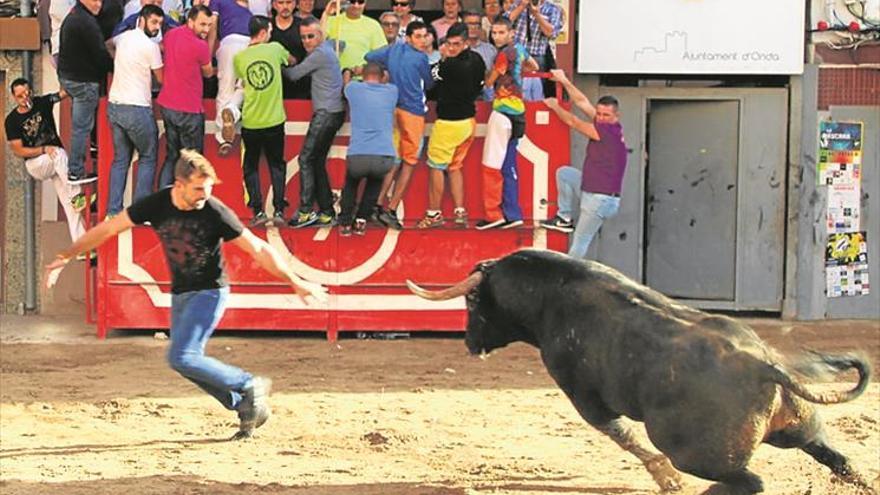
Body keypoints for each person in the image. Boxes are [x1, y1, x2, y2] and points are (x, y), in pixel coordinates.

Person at [45, 149, 328, 440]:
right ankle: (246, 405)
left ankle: (247, 384)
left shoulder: (214, 211)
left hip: (210, 292)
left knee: (183, 357)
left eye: (207, 189)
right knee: (184, 363)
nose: (203, 196)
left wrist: (294, 281)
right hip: (181, 294)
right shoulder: (157, 204)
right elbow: (109, 228)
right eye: (197, 189)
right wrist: (67, 255)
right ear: (178, 184)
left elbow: (257, 249)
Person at [540, 70, 627, 258]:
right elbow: (581, 102)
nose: (601, 118)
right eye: (600, 114)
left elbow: (573, 121)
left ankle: (569, 281)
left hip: (600, 199)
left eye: (606, 115)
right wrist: (563, 80)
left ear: (616, 116)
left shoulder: (605, 132)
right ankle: (564, 217)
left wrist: (555, 106)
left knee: (580, 242)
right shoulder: (610, 125)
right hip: (593, 191)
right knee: (564, 173)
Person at [365, 20, 432, 230]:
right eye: (419, 36)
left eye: (424, 36)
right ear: (410, 37)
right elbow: (429, 83)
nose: (423, 40)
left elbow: (369, 57)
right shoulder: (421, 58)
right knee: (409, 162)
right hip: (413, 112)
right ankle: (391, 209)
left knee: (393, 160)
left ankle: (376, 205)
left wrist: (386, 74)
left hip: (393, 109)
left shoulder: (392, 50)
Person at [417, 22, 485, 229]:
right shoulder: (478, 59)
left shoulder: (449, 65)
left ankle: (434, 214)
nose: (452, 47)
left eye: (456, 44)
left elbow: (430, 77)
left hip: (449, 124)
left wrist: (444, 57)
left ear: (465, 43)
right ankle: (460, 211)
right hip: (468, 123)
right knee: (455, 167)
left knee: (436, 167)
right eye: (449, 43)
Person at [4, 79, 86, 243]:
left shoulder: (42, 102)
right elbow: (18, 150)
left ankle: (82, 244)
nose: (25, 98)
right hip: (35, 164)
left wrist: (69, 76)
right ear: (14, 97)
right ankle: (77, 195)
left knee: (67, 202)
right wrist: (43, 149)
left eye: (27, 93)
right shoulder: (12, 120)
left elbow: (62, 94)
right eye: (20, 96)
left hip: (53, 162)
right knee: (58, 153)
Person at [283, 16, 345, 228]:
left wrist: (277, 60)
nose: (306, 41)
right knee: (316, 161)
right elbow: (341, 43)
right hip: (333, 113)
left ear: (320, 36)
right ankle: (327, 211)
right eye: (303, 37)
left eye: (311, 36)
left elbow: (293, 75)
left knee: (306, 159)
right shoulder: (328, 48)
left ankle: (306, 211)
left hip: (325, 114)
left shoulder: (320, 54)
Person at [476, 16, 536, 230]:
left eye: (501, 32)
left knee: (491, 165)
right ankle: (513, 213)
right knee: (509, 165)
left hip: (502, 112)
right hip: (519, 111)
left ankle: (494, 214)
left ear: (511, 33)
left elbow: (490, 81)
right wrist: (517, 74)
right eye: (494, 32)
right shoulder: (519, 49)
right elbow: (534, 65)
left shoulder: (503, 54)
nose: (497, 36)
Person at [234, 15, 293, 226]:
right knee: (277, 165)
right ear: (263, 33)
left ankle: (258, 211)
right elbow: (292, 61)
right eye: (269, 30)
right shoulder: (275, 48)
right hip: (275, 120)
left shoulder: (239, 58)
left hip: (250, 121)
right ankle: (278, 210)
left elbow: (242, 81)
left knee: (250, 167)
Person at [106, 5, 164, 217]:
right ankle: (140, 213)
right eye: (154, 22)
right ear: (142, 20)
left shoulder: (123, 38)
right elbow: (162, 79)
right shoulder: (151, 47)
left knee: (120, 160)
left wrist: (118, 61)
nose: (157, 27)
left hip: (115, 105)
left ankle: (113, 211)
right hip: (138, 108)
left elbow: (108, 45)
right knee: (148, 157)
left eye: (159, 24)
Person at [156, 5, 216, 187]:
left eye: (209, 25)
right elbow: (208, 73)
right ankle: (190, 207)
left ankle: (164, 200)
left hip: (167, 105)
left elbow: (161, 48)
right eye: (202, 24)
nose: (206, 29)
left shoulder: (170, 35)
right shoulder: (201, 46)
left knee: (172, 156)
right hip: (189, 110)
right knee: (193, 161)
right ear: (190, 21)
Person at [338, 62, 398, 236]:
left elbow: (346, 82)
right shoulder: (392, 92)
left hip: (358, 153)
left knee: (351, 185)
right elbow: (386, 79)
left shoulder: (354, 90)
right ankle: (362, 220)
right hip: (384, 154)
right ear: (382, 76)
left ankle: (345, 223)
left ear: (363, 76)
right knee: (374, 185)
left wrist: (350, 70)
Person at [57, 0, 113, 185]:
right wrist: (117, 66)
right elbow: (100, 56)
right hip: (83, 82)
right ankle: (76, 171)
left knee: (79, 125)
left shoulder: (74, 15)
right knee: (81, 128)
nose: (99, 4)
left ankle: (82, 160)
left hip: (69, 78)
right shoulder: (87, 23)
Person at [209, 0, 267, 154]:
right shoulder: (252, 9)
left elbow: (213, 27)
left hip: (229, 42)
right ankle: (232, 113)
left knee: (225, 88)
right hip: (250, 44)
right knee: (244, 87)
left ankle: (223, 137)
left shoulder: (218, 1)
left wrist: (208, 55)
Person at [505, 0, 561, 100]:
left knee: (536, 93)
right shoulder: (518, 3)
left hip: (537, 56)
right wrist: (522, 6)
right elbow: (504, 23)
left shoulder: (553, 9)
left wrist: (537, 14)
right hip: (516, 54)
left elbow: (551, 33)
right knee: (512, 89)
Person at [321, 0, 386, 73]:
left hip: (362, 79)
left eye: (360, 2)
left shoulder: (374, 25)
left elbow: (382, 56)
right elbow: (318, 44)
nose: (356, 5)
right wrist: (326, 13)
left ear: (365, 3)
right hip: (336, 77)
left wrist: (364, 69)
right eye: (352, 1)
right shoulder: (331, 20)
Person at [270, 0, 310, 99]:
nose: (285, 6)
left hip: (300, 84)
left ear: (295, 4)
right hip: (273, 84)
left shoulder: (303, 26)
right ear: (274, 5)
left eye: (289, 2)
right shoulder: (268, 26)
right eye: (281, 2)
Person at [462, 10, 495, 101]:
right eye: (469, 24)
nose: (473, 27)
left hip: (487, 97)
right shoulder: (456, 49)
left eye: (476, 24)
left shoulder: (491, 50)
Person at [110, 0, 179, 43]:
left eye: (158, 3)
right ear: (142, 1)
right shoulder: (130, 22)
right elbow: (112, 43)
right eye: (151, 2)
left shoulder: (169, 23)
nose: (155, 5)